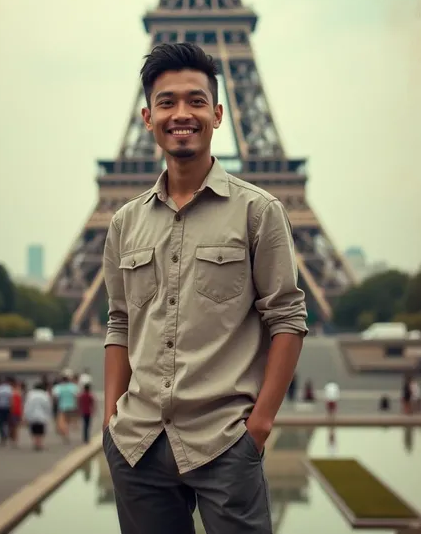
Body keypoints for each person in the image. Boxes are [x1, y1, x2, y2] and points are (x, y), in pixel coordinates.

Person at [102, 43, 308, 534]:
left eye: (196, 101)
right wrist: (110, 420)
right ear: (148, 116)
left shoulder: (259, 212)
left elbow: (288, 318)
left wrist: (257, 430)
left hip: (224, 442)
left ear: (217, 114)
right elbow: (120, 321)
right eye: (168, 102)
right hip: (139, 444)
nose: (182, 114)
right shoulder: (124, 223)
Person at [23, 383, 52, 451]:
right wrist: (49, 414)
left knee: (34, 430)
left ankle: (35, 442)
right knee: (41, 430)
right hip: (42, 415)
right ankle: (40, 443)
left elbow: (27, 405)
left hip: (32, 415)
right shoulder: (45, 395)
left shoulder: (30, 395)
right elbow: (47, 406)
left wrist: (25, 415)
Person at [52, 372, 79, 442]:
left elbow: (55, 396)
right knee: (68, 421)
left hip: (62, 406)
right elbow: (76, 396)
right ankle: (67, 431)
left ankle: (66, 433)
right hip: (72, 406)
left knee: (62, 421)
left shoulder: (58, 387)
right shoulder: (73, 386)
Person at [0, 376, 13, 445]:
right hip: (7, 408)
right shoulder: (9, 388)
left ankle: (3, 436)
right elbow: (11, 399)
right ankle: (8, 435)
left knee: (0, 424)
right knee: (8, 423)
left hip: (0, 408)